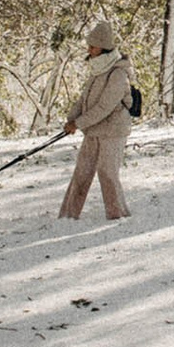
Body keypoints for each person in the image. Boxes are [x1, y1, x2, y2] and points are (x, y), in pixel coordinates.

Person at [59, 20, 134, 220]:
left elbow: (104, 107)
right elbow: (84, 100)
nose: (89, 50)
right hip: (93, 130)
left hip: (113, 130)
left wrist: (79, 123)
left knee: (107, 174)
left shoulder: (118, 73)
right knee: (82, 173)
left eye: (93, 46)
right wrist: (71, 119)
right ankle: (68, 215)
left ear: (104, 47)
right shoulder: (97, 70)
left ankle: (118, 215)